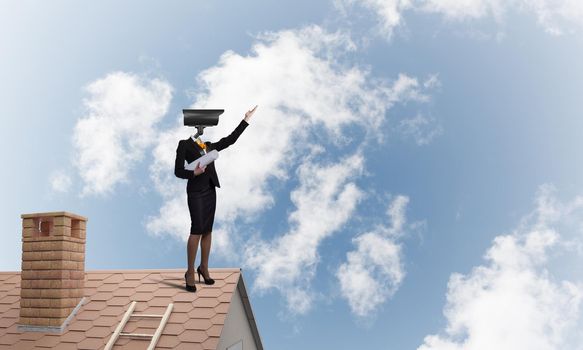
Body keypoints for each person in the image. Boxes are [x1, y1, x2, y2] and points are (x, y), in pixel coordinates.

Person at [174, 105, 258, 292]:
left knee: (207, 231)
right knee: (196, 230)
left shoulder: (209, 146)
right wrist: (194, 173)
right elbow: (178, 171)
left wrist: (246, 120)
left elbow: (231, 140)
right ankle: (189, 272)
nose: (202, 131)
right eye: (199, 128)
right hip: (195, 192)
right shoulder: (184, 145)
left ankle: (203, 267)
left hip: (210, 190)